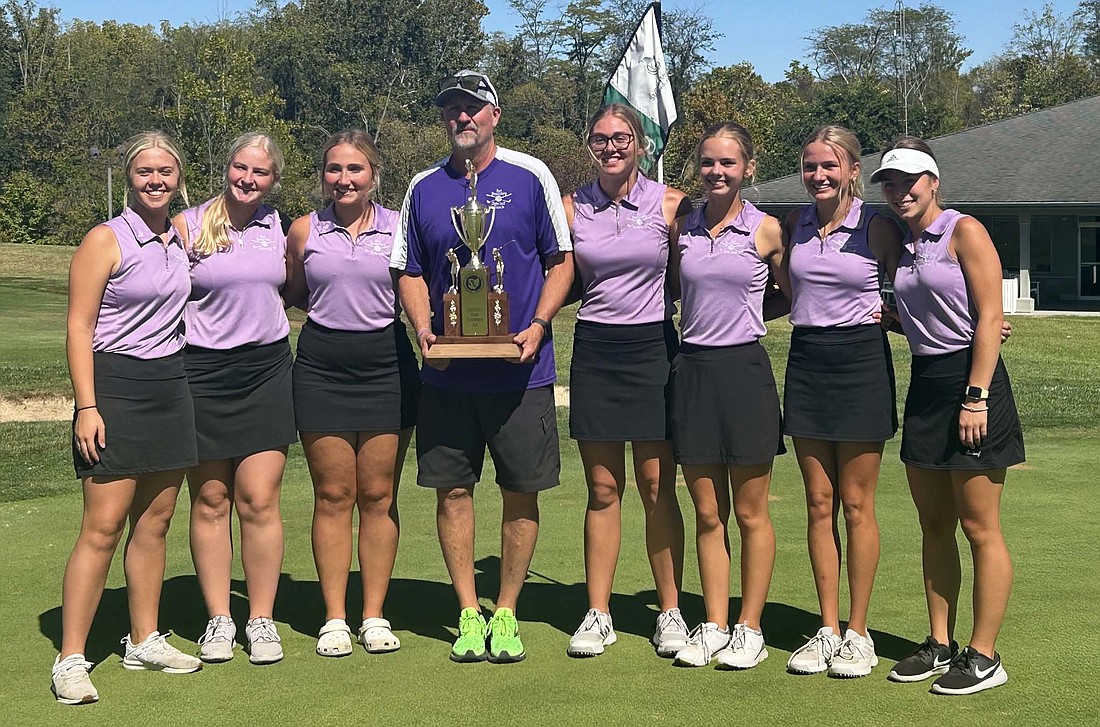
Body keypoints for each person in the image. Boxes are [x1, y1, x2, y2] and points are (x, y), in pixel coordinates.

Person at [390, 70, 573, 663]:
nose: (462, 117)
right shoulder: (423, 186)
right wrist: (423, 328)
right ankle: (469, 611)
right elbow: (410, 269)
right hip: (448, 373)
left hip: (520, 370)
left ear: (494, 115)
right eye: (452, 110)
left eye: (473, 108)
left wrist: (539, 324)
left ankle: (507, 611)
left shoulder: (530, 174)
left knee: (522, 492)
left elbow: (560, 261)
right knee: (452, 491)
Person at [53, 131, 202, 705]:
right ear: (129, 178)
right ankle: (70, 657)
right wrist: (86, 406)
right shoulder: (105, 239)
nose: (156, 181)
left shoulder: (182, 234)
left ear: (179, 176)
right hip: (114, 385)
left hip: (171, 383)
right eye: (145, 172)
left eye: (166, 171)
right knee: (103, 526)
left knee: (156, 520)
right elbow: (78, 327)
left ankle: (144, 638)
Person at [872, 138, 1023, 695]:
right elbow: (926, 319)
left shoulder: (964, 231)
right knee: (933, 524)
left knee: (979, 527)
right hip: (927, 385)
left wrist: (976, 395)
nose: (900, 191)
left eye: (910, 180)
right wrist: (885, 318)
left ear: (934, 181)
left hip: (971, 384)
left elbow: (989, 318)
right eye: (890, 182)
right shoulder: (906, 243)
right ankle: (940, 644)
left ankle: (984, 655)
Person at [283, 130, 419, 657]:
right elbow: (294, 292)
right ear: (324, 176)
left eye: (355, 169)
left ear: (373, 176)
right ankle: (335, 617)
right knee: (334, 496)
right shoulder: (303, 229)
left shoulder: (398, 227)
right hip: (321, 366)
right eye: (335, 169)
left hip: (388, 364)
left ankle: (374, 615)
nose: (344, 179)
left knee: (379, 495)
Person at [562, 103, 691, 659]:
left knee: (657, 486)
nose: (610, 147)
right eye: (600, 138)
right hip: (594, 348)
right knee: (603, 487)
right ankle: (599, 612)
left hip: (652, 348)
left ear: (640, 143)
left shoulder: (671, 203)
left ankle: (670, 612)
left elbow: (692, 275)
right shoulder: (572, 206)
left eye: (621, 138)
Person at [778, 125, 904, 678]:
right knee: (817, 503)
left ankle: (858, 632)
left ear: (854, 170)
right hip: (806, 362)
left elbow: (920, 289)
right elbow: (780, 293)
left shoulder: (878, 227)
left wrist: (977, 327)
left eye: (830, 166)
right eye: (810, 167)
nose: (819, 176)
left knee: (856, 505)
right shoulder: (793, 225)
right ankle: (827, 628)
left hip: (860, 364)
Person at [667, 122, 787, 668]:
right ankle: (714, 622)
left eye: (728, 163)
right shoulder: (683, 227)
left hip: (744, 371)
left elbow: (799, 295)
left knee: (750, 512)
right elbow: (670, 287)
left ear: (748, 168)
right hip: (691, 370)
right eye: (709, 162)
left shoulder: (766, 230)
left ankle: (749, 626)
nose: (717, 172)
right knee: (707, 510)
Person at [174, 133, 295, 666]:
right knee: (211, 499)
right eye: (240, 168)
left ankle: (261, 619)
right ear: (226, 169)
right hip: (201, 372)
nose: (248, 179)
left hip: (266, 370)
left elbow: (293, 292)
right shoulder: (188, 225)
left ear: (273, 180)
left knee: (259, 498)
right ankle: (219, 620)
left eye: (260, 172)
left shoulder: (280, 228)